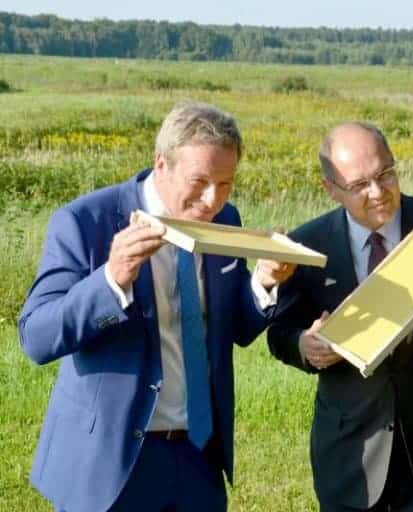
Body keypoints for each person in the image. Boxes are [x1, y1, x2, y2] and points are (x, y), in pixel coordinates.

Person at [18, 102, 296, 512]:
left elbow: (234, 327)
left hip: (199, 454)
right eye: (199, 181)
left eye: (225, 184)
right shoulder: (84, 221)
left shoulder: (225, 218)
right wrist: (111, 279)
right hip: (112, 464)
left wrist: (264, 282)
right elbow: (37, 338)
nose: (211, 200)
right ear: (160, 163)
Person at [267, 122, 413, 512]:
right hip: (349, 447)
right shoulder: (308, 245)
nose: (378, 193)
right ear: (331, 189)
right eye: (359, 185)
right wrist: (305, 346)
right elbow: (280, 334)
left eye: (385, 174)